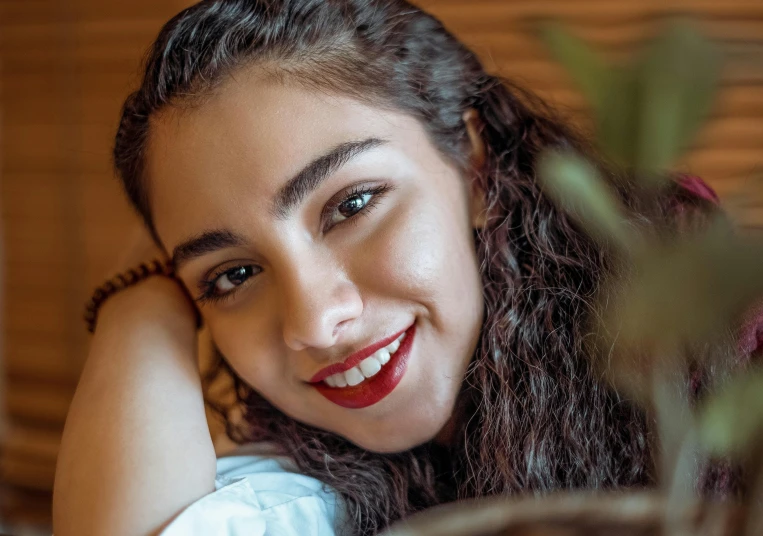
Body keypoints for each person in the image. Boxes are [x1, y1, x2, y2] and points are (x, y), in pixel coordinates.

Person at [51, 0, 763, 535]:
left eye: (352, 204)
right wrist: (139, 308)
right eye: (232, 276)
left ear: (475, 166)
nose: (315, 323)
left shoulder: (721, 346)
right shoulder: (315, 460)